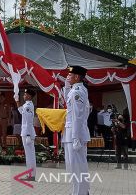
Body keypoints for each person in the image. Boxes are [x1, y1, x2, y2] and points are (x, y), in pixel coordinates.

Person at [62, 66, 90, 195]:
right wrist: (67, 86)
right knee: (74, 168)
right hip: (73, 133)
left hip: (75, 134)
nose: (67, 76)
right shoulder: (76, 90)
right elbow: (68, 103)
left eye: (70, 74)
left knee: (77, 168)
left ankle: (81, 193)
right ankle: (80, 192)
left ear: (77, 77)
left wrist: (75, 137)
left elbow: (77, 116)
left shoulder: (77, 92)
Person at [15, 89, 36, 181]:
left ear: (29, 96)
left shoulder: (28, 106)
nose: (24, 96)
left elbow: (27, 121)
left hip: (27, 132)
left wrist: (27, 135)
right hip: (27, 132)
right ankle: (31, 174)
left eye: (25, 94)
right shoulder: (27, 105)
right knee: (29, 154)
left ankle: (31, 175)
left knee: (30, 155)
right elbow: (20, 111)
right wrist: (17, 101)